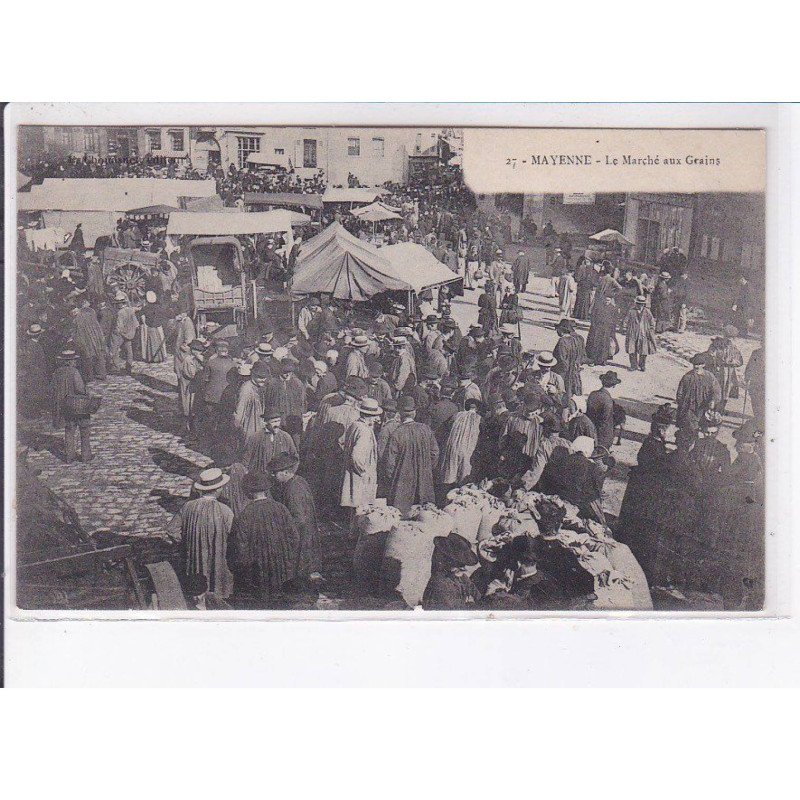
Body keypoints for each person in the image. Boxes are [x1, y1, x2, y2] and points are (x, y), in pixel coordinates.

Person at [228, 471, 300, 606]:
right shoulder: (281, 508)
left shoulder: (245, 514)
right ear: (267, 490)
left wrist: (245, 567)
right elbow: (294, 537)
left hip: (258, 569)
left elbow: (241, 546)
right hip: (282, 565)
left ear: (248, 492)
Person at [168, 468, 234, 599]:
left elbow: (171, 530)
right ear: (218, 489)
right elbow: (234, 537)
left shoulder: (188, 506)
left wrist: (187, 543)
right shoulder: (225, 511)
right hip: (219, 560)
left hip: (194, 559)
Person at [380, 395, 440, 514]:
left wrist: (393, 479)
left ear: (399, 413)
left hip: (402, 483)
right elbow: (435, 453)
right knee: (424, 515)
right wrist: (426, 468)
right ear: (414, 412)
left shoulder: (397, 433)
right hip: (424, 480)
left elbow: (390, 464)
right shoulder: (426, 429)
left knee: (402, 518)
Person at [269, 452, 321, 584]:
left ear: (286, 472)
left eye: (275, 473)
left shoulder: (293, 489)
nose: (273, 475)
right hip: (307, 533)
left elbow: (299, 519)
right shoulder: (299, 480)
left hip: (301, 535)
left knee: (299, 569)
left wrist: (283, 532)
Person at [51, 349, 93, 463]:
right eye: (74, 360)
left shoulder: (57, 373)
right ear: (70, 361)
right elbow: (80, 389)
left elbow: (53, 389)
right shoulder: (74, 372)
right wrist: (87, 392)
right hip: (78, 405)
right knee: (84, 429)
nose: (75, 362)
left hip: (65, 407)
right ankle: (86, 455)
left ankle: (70, 456)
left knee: (69, 430)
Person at [340, 397, 381, 511]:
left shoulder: (355, 425)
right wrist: (363, 472)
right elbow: (356, 456)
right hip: (360, 476)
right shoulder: (364, 431)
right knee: (361, 507)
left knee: (355, 505)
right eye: (375, 416)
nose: (377, 419)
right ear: (370, 416)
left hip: (352, 473)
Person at [422, 533, 480, 610]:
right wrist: (470, 604)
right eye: (457, 563)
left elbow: (479, 599)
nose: (463, 568)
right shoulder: (441, 584)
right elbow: (455, 613)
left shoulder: (462, 578)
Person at [437, 398, 483, 493]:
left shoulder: (456, 415)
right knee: (464, 477)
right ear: (477, 409)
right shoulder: (479, 419)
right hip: (468, 449)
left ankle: (444, 498)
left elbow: (445, 429)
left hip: (452, 447)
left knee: (449, 474)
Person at [676, 353, 722, 430]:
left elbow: (716, 392)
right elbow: (680, 393)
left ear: (703, 365)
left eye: (699, 364)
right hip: (690, 408)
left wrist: (713, 401)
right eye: (694, 364)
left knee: (705, 429)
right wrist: (682, 406)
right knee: (690, 429)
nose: (696, 366)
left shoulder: (710, 377)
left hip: (704, 408)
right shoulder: (687, 377)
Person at [247, 406, 299, 474]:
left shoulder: (286, 437)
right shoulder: (255, 437)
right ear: (266, 422)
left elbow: (295, 458)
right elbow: (246, 460)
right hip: (261, 478)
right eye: (274, 422)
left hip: (280, 480)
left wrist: (289, 473)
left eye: (278, 421)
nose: (277, 424)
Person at [200, 339, 236, 435]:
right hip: (226, 397)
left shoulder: (210, 362)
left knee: (211, 419)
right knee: (224, 419)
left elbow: (205, 379)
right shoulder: (232, 363)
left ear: (217, 350)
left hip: (212, 397)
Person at [706, 326, 744, 412]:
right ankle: (711, 409)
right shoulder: (716, 345)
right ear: (724, 336)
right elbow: (709, 355)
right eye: (727, 338)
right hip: (717, 371)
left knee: (726, 392)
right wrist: (715, 360)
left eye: (731, 339)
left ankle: (720, 410)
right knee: (715, 389)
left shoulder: (734, 348)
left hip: (729, 373)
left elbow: (740, 361)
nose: (729, 341)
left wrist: (732, 362)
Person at [71, 300, 107, 381]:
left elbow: (76, 331)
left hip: (85, 339)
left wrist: (75, 340)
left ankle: (89, 376)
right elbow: (97, 327)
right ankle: (102, 373)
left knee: (88, 356)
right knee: (99, 355)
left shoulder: (78, 318)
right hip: (96, 337)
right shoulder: (91, 314)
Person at [587, 370, 622, 451]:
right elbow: (604, 419)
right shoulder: (608, 400)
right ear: (614, 386)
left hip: (590, 430)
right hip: (603, 436)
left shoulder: (593, 394)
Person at [552, 318, 586, 400]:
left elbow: (562, 359)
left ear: (561, 330)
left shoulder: (562, 342)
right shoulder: (573, 339)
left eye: (558, 329)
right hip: (573, 370)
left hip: (564, 372)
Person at [624, 295, 657, 372]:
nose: (640, 305)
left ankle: (642, 365)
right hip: (632, 333)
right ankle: (633, 365)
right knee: (632, 349)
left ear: (643, 304)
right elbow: (626, 321)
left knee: (643, 351)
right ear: (636, 303)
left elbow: (652, 322)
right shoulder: (631, 311)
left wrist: (650, 330)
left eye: (641, 304)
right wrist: (626, 329)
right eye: (638, 303)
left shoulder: (647, 312)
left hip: (643, 334)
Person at [585, 295, 619, 366]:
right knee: (595, 344)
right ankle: (593, 360)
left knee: (605, 345)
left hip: (607, 329)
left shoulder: (613, 308)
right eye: (606, 300)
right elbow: (593, 317)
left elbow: (615, 320)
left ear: (611, 300)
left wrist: (612, 330)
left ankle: (603, 360)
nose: (607, 302)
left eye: (608, 300)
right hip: (597, 329)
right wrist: (594, 327)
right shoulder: (598, 307)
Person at [139, 290, 168, 363]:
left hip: (150, 328)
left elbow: (143, 319)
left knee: (150, 343)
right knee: (159, 341)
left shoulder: (145, 308)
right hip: (158, 328)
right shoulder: (159, 307)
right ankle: (160, 357)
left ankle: (151, 357)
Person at [744, 346, 765, 424]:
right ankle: (757, 419)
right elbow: (749, 366)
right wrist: (747, 377)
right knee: (755, 402)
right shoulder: (755, 353)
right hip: (755, 383)